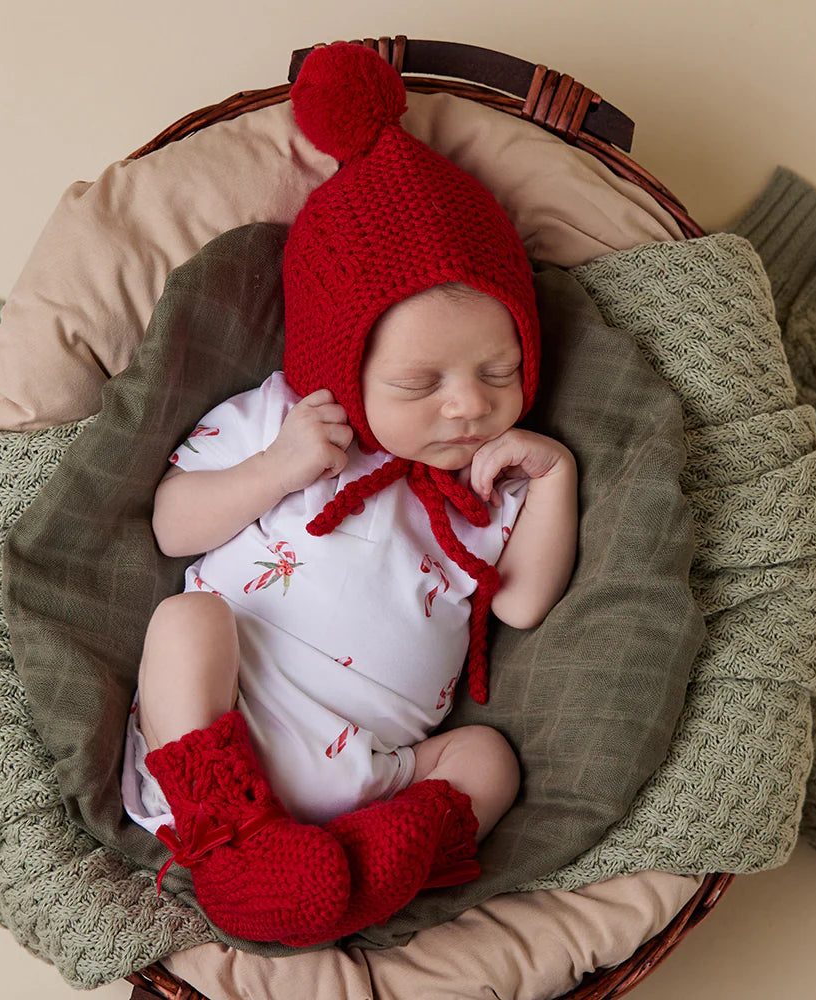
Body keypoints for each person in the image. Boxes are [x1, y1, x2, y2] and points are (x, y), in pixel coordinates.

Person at [120, 42, 578, 947]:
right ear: (342, 363)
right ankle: (233, 850)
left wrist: (555, 477)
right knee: (186, 625)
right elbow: (174, 526)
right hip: (227, 736)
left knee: (489, 761)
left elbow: (523, 603)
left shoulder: (492, 484)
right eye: (421, 384)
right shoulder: (287, 420)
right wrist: (279, 468)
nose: (469, 405)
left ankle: (363, 875)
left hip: (377, 772)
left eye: (501, 369)